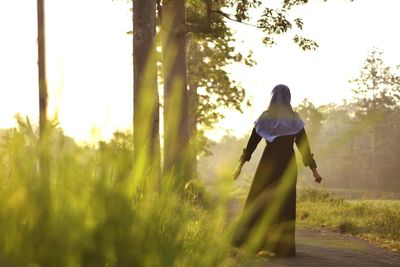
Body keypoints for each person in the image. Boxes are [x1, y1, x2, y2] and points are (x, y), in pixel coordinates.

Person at [232, 84, 322, 257]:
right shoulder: (294, 120)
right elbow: (304, 148)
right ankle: (280, 247)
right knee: (283, 205)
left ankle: (254, 243)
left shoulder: (266, 118)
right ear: (289, 98)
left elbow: (250, 146)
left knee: (259, 201)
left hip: (268, 165)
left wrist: (239, 167)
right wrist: (314, 171)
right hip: (286, 165)